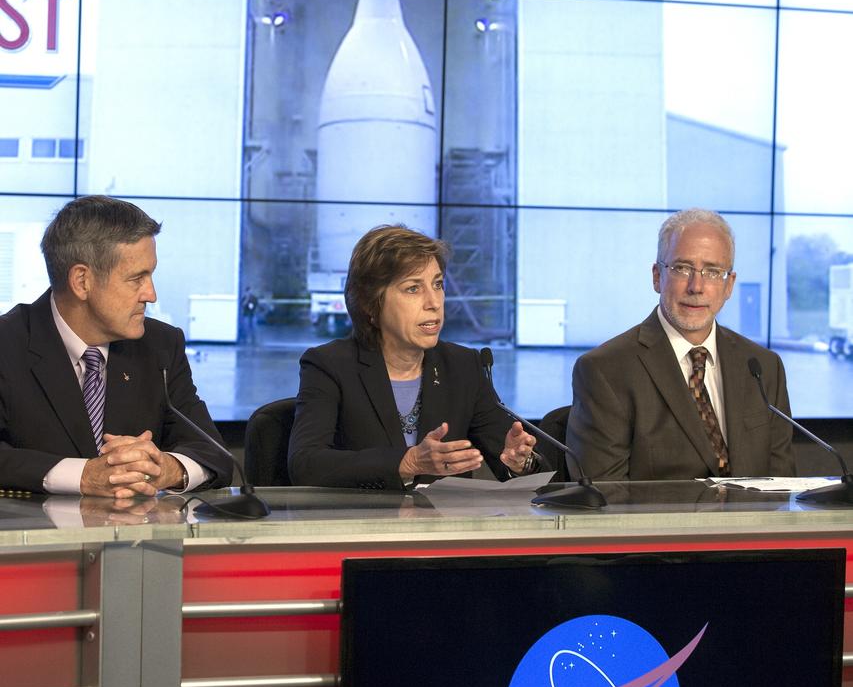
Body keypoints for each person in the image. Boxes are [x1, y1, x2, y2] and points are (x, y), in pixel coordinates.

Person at [0, 195, 232, 496]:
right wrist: (82, 475)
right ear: (82, 281)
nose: (151, 294)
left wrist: (165, 469)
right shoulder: (8, 344)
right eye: (137, 279)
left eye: (151, 275)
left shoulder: (161, 345)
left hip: (137, 541)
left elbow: (214, 454)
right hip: (33, 539)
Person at [288, 225, 540, 488]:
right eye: (413, 288)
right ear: (369, 303)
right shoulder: (330, 365)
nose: (434, 302)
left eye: (438, 284)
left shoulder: (463, 366)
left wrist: (522, 461)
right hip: (361, 524)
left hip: (444, 527)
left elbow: (527, 465)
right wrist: (407, 462)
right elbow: (305, 464)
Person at [565, 209, 795, 481]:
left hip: (754, 524)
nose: (696, 287)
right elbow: (606, 496)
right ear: (656, 277)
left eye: (712, 272)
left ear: (729, 285)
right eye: (682, 268)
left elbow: (782, 488)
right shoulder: (605, 370)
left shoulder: (763, 367)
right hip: (659, 525)